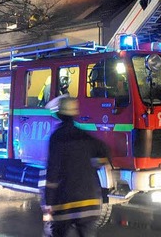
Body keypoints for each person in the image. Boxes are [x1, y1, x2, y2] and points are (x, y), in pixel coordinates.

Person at [42, 96, 110, 237]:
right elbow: (105, 151)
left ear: (59, 114)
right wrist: (93, 167)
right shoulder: (84, 136)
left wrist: (48, 203)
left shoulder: (57, 138)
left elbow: (52, 173)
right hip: (90, 201)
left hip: (65, 203)